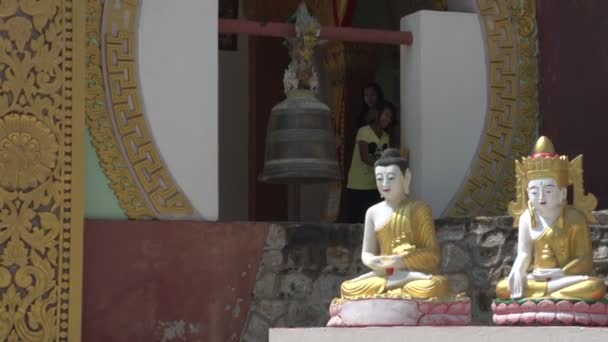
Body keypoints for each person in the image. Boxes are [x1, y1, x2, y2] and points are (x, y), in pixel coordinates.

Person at [495, 136, 606, 300]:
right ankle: (553, 294)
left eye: (548, 190)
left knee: (595, 287)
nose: (541, 197)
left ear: (562, 192)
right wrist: (517, 271)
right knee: (503, 288)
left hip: (566, 276)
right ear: (527, 193)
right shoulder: (527, 217)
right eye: (533, 192)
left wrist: (559, 273)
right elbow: (524, 253)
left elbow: (585, 260)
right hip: (538, 277)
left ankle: (544, 294)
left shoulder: (574, 218)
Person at [340, 148, 451, 300]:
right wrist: (371, 260)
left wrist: (402, 261)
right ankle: (399, 283)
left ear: (406, 178)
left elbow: (433, 255)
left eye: (391, 177)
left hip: (416, 273)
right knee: (348, 288)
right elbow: (367, 253)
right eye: (379, 179)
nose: (385, 184)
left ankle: (398, 284)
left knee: (433, 286)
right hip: (386, 273)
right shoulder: (372, 212)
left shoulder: (419, 209)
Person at [346, 101, 395, 223]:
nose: (388, 120)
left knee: (374, 223)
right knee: (357, 222)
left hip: (376, 186)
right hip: (358, 185)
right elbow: (365, 157)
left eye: (390, 118)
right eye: (386, 115)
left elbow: (386, 158)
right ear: (377, 114)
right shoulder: (363, 131)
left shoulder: (386, 136)